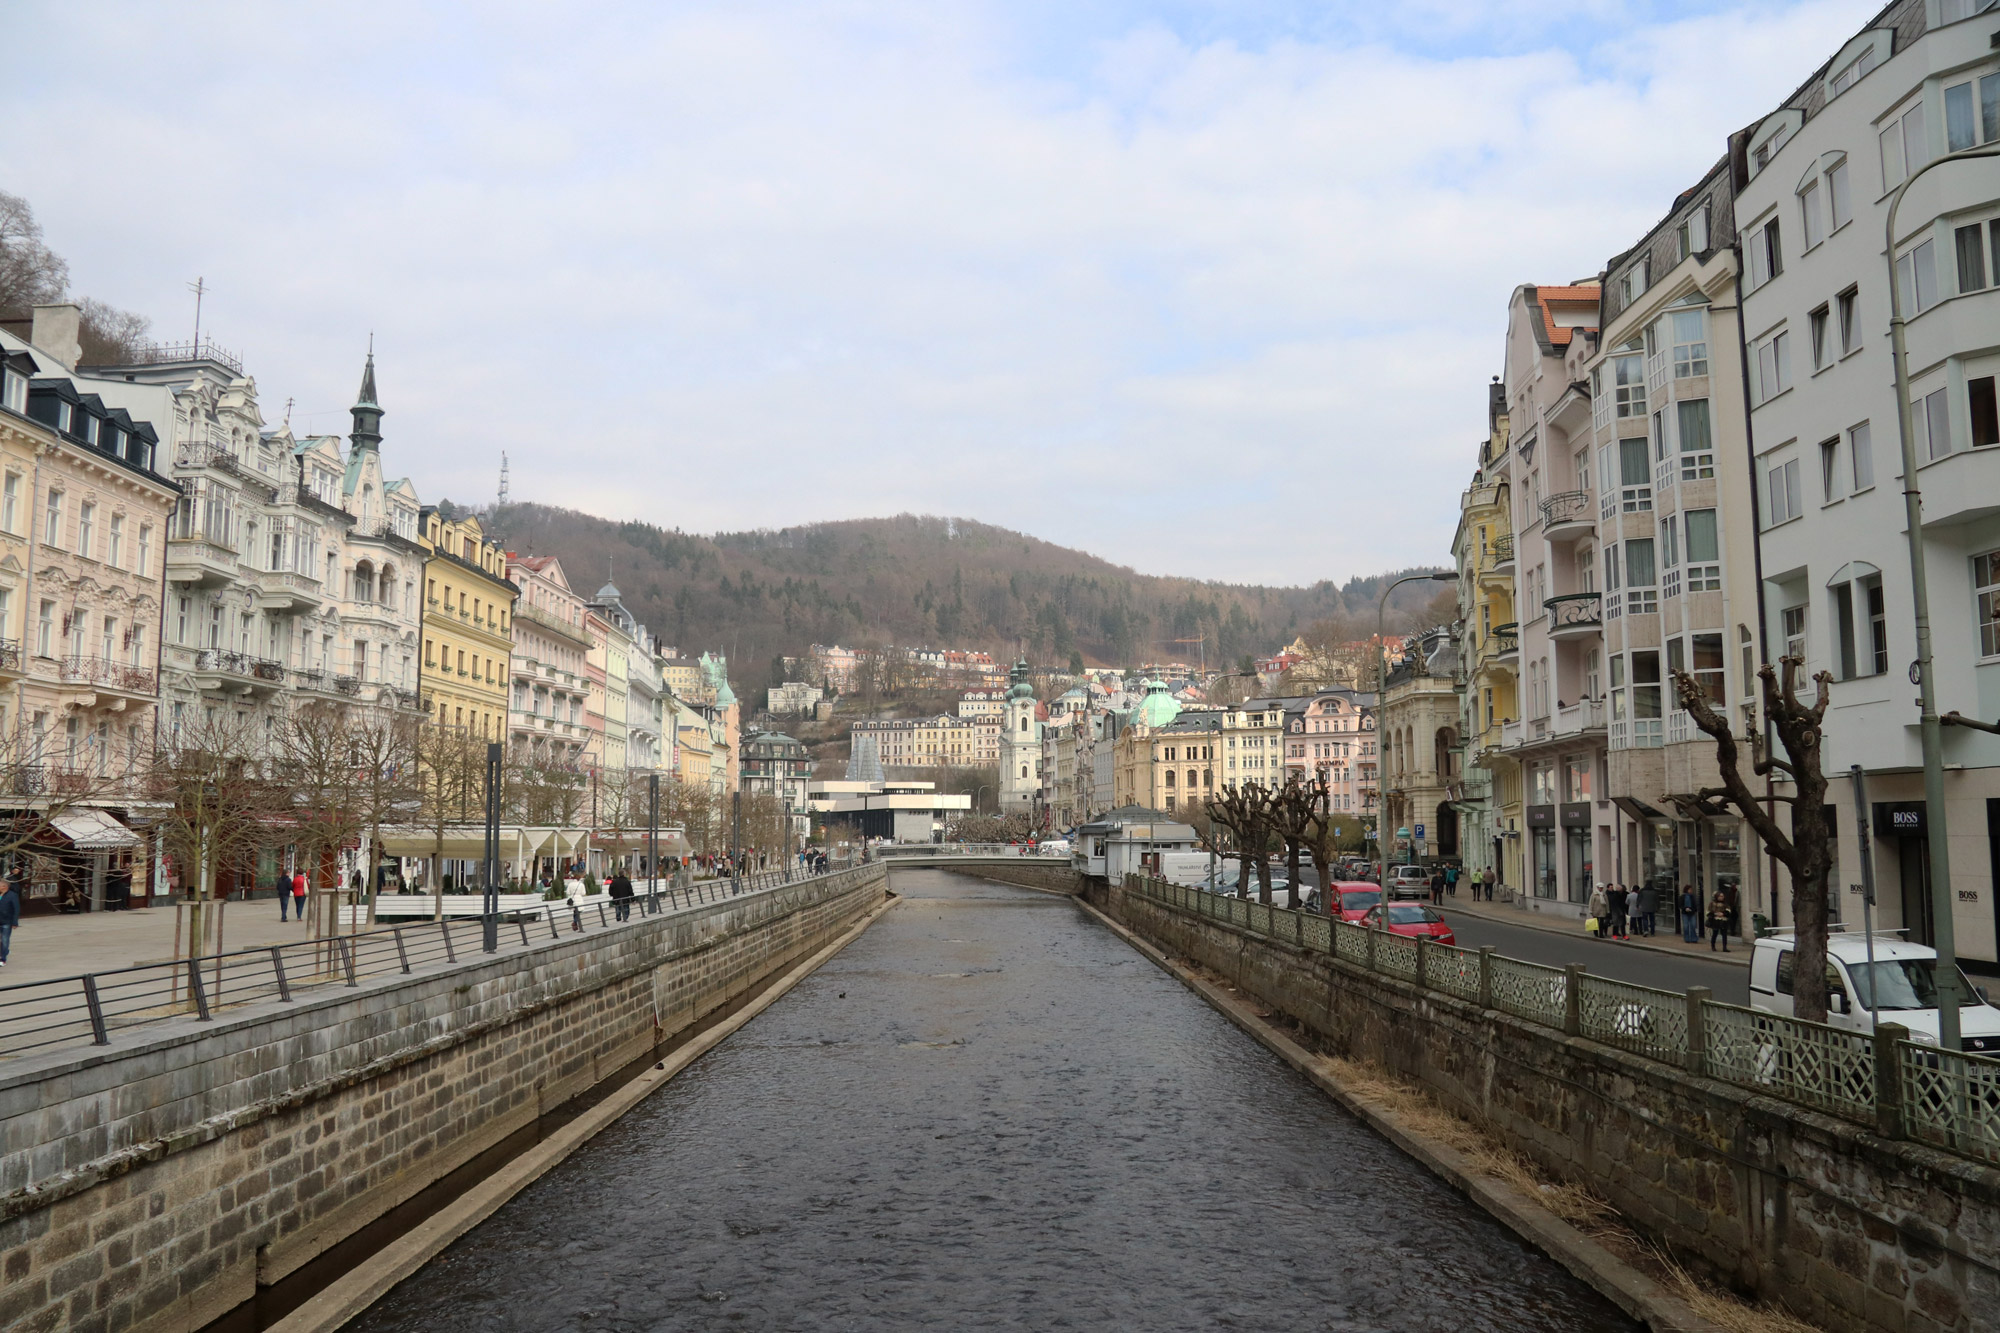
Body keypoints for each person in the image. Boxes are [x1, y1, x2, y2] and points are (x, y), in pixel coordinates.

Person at [0, 874, 20, 968]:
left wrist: (14, 922)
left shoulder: (12, 895)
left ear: (4, 886)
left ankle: (3, 959)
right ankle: (5, 951)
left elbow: (16, 909)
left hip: (6, 922)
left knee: (4, 940)